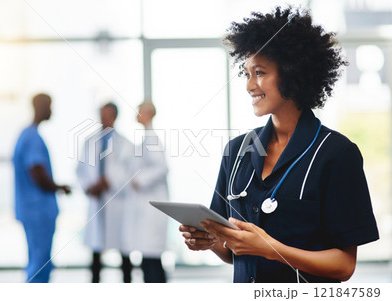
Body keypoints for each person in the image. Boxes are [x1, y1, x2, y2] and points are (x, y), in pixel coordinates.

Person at [179, 7, 379, 283]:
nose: (250, 85)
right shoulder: (237, 152)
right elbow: (232, 250)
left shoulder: (336, 153)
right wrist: (209, 241)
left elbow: (343, 265)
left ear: (292, 73)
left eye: (259, 72)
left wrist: (273, 250)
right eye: (246, 73)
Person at [13, 93, 71, 283]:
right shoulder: (33, 138)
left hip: (32, 210)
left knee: (37, 262)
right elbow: (37, 173)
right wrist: (59, 187)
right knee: (40, 265)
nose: (52, 110)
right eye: (50, 106)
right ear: (41, 107)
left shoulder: (26, 135)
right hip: (38, 211)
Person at [76, 102, 134, 283]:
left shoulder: (125, 144)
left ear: (115, 116)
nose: (104, 119)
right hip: (96, 201)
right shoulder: (89, 142)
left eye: (108, 115)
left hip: (116, 202)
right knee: (96, 253)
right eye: (102, 114)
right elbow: (81, 170)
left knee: (123, 251)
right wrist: (89, 186)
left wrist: (108, 181)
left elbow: (129, 173)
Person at [125, 100, 169, 282]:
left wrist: (139, 181)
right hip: (146, 210)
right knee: (149, 259)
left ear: (148, 113)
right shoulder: (146, 138)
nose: (136, 112)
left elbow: (162, 168)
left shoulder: (151, 138)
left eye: (139, 110)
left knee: (151, 260)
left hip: (152, 211)